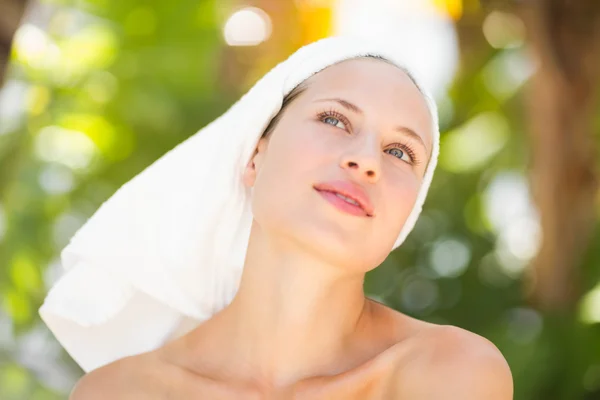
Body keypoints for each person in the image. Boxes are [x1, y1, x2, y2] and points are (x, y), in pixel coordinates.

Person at [40, 36, 513, 399]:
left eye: (399, 151)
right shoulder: (119, 393)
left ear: (406, 215)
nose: (367, 161)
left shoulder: (451, 374)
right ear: (254, 156)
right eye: (334, 119)